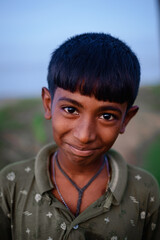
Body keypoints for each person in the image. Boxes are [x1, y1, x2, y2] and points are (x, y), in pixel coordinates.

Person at [0, 33, 159, 240]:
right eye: (70, 110)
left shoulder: (144, 190)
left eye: (107, 116)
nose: (84, 135)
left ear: (126, 120)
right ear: (48, 104)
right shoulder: (11, 184)